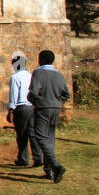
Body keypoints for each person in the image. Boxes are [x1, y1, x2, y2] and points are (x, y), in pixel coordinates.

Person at [27, 50, 70, 183]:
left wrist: (35, 100)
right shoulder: (59, 75)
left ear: (43, 60)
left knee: (40, 137)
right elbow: (66, 94)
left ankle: (56, 166)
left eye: (39, 58)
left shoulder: (38, 72)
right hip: (55, 109)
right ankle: (49, 170)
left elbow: (33, 92)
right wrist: (57, 101)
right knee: (49, 138)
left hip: (43, 108)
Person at [7, 52, 41, 168]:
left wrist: (10, 110)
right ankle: (38, 158)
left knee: (21, 135)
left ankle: (23, 158)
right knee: (32, 134)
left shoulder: (15, 77)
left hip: (21, 108)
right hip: (32, 107)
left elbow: (14, 94)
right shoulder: (31, 76)